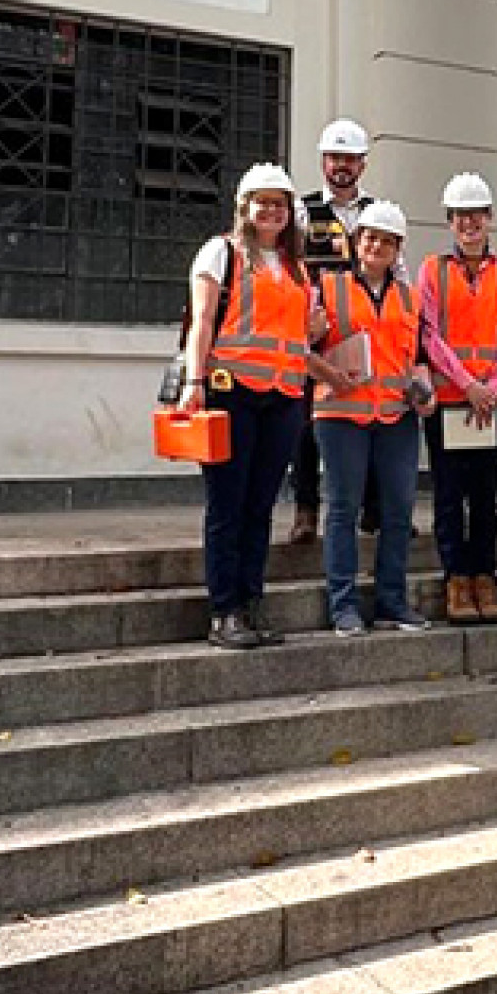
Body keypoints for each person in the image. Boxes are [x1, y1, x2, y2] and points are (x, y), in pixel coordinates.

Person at [180, 163, 315, 652]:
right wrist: (194, 381)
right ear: (244, 206)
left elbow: (297, 335)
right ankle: (225, 611)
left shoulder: (297, 268)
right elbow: (203, 321)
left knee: (260, 507)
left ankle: (251, 604)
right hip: (230, 392)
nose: (272, 211)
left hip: (283, 398)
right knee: (228, 505)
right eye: (263, 202)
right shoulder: (222, 253)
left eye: (280, 204)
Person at [313, 199, 434, 635]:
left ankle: (391, 602)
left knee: (399, 511)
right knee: (343, 509)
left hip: (396, 416)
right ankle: (343, 605)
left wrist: (424, 390)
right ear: (356, 241)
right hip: (341, 415)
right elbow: (304, 347)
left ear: (398, 248)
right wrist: (328, 371)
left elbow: (417, 357)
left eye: (386, 241)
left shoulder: (410, 298)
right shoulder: (328, 287)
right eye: (370, 238)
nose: (377, 246)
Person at [416, 173, 497, 624]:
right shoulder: (432, 270)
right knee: (448, 494)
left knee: (485, 496)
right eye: (461, 216)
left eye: (476, 215)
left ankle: (485, 578)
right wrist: (467, 384)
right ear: (450, 221)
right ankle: (456, 581)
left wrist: (490, 386)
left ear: (489, 218)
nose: (469, 223)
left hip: (493, 404)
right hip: (450, 400)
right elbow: (429, 333)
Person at [288, 117, 380, 546]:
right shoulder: (302, 211)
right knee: (306, 424)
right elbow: (291, 267)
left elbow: (395, 272)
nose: (342, 166)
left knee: (371, 416)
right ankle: (306, 510)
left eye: (350, 158)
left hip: (364, 329)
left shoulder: (376, 212)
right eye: (334, 157)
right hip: (315, 330)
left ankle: (374, 509)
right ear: (323, 161)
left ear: (362, 164)